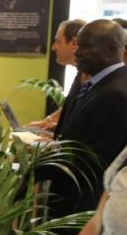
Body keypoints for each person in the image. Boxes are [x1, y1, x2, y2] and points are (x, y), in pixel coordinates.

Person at [48, 19, 127, 218]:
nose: (77, 52)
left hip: (82, 206)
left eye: (86, 46)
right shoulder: (97, 83)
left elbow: (94, 161)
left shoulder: (116, 94)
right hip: (73, 200)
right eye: (77, 45)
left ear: (110, 50)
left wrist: (39, 164)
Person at [28, 18, 86, 132]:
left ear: (74, 43)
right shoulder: (81, 73)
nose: (53, 48)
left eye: (58, 42)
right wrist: (46, 122)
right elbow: (70, 105)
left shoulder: (88, 76)